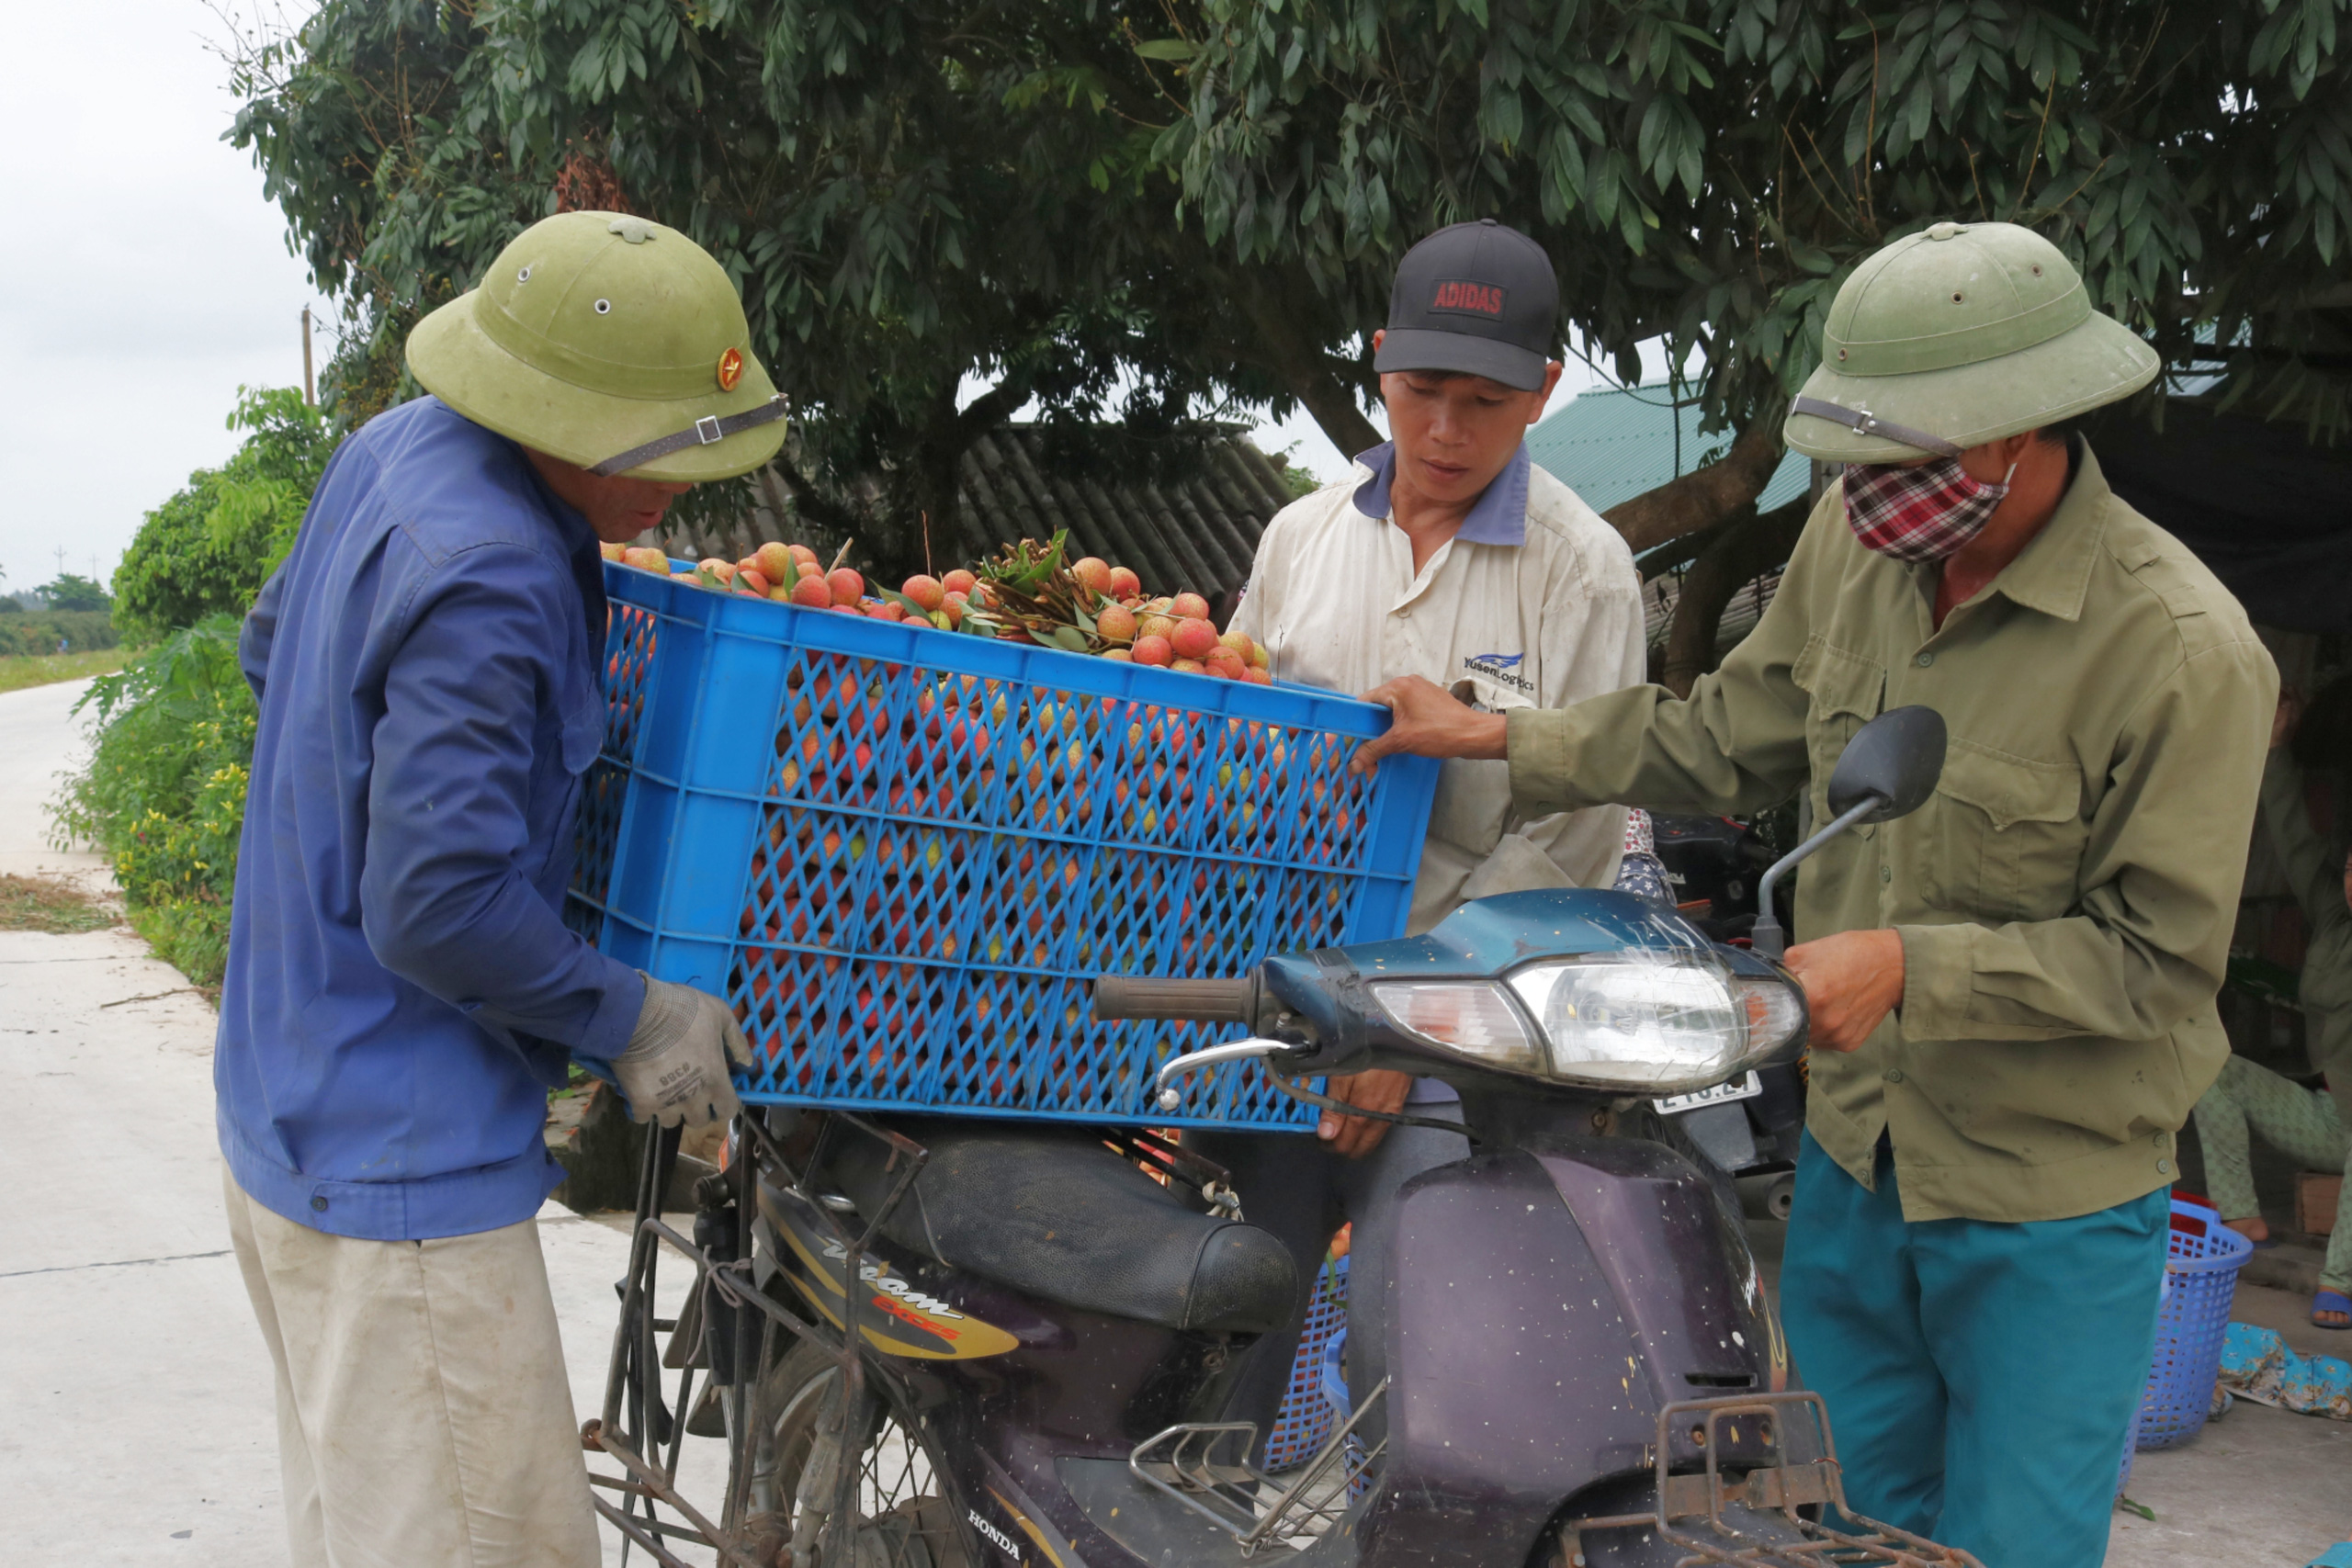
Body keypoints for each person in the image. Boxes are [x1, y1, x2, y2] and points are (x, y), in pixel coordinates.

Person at [1350, 220, 2277, 1567]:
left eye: (1907, 461)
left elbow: (2156, 966)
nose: (1866, 494)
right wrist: (1503, 736)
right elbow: (1731, 728)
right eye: (1853, 458)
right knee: (1837, 1531)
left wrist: (1912, 964)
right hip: (1855, 1162)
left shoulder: (2184, 652)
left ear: (2028, 429)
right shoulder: (1860, 543)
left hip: (2044, 1205)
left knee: (2010, 1546)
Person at [217, 210, 788, 1568]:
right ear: (562, 410)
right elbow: (436, 903)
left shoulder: (391, 452)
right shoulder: (496, 572)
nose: (686, 484)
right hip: (399, 1163)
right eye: (661, 443)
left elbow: (270, 649)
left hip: (284, 1089)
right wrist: (635, 1015)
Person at [1197, 218, 1652, 1451]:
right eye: (1420, 392)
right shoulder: (1303, 536)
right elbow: (1233, 741)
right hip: (1283, 1003)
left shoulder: (1583, 570)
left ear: (1544, 392)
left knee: (1419, 1344)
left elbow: (1569, 838)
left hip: (1462, 1028)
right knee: (1236, 1308)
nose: (1445, 431)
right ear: (1379, 365)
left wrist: (1401, 1021)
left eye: (1485, 401)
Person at [2193, 690, 2352, 1327]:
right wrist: (2276, 752)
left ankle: (2340, 1278)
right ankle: (2240, 1214)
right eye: (2349, 868)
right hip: (2330, 1116)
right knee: (2209, 1070)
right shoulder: (2334, 922)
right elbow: (2292, 839)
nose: (2349, 880)